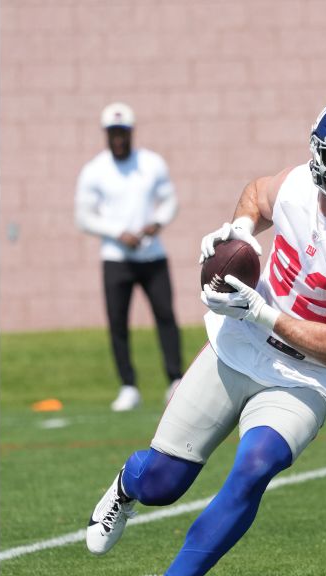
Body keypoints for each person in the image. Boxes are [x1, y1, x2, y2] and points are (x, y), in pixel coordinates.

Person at [85, 95, 326, 576]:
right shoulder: (293, 185)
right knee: (166, 482)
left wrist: (264, 312)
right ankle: (127, 485)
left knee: (256, 465)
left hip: (301, 376)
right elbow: (256, 196)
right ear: (317, 155)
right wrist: (237, 231)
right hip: (236, 345)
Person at [74, 102, 183, 411]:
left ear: (131, 132)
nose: (118, 139)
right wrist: (117, 232)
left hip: (152, 255)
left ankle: (175, 380)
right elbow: (84, 217)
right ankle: (128, 386)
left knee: (165, 316)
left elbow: (169, 201)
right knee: (118, 322)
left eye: (123, 132)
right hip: (115, 258)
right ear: (105, 134)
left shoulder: (151, 163)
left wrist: (157, 223)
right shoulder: (94, 170)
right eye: (113, 133)